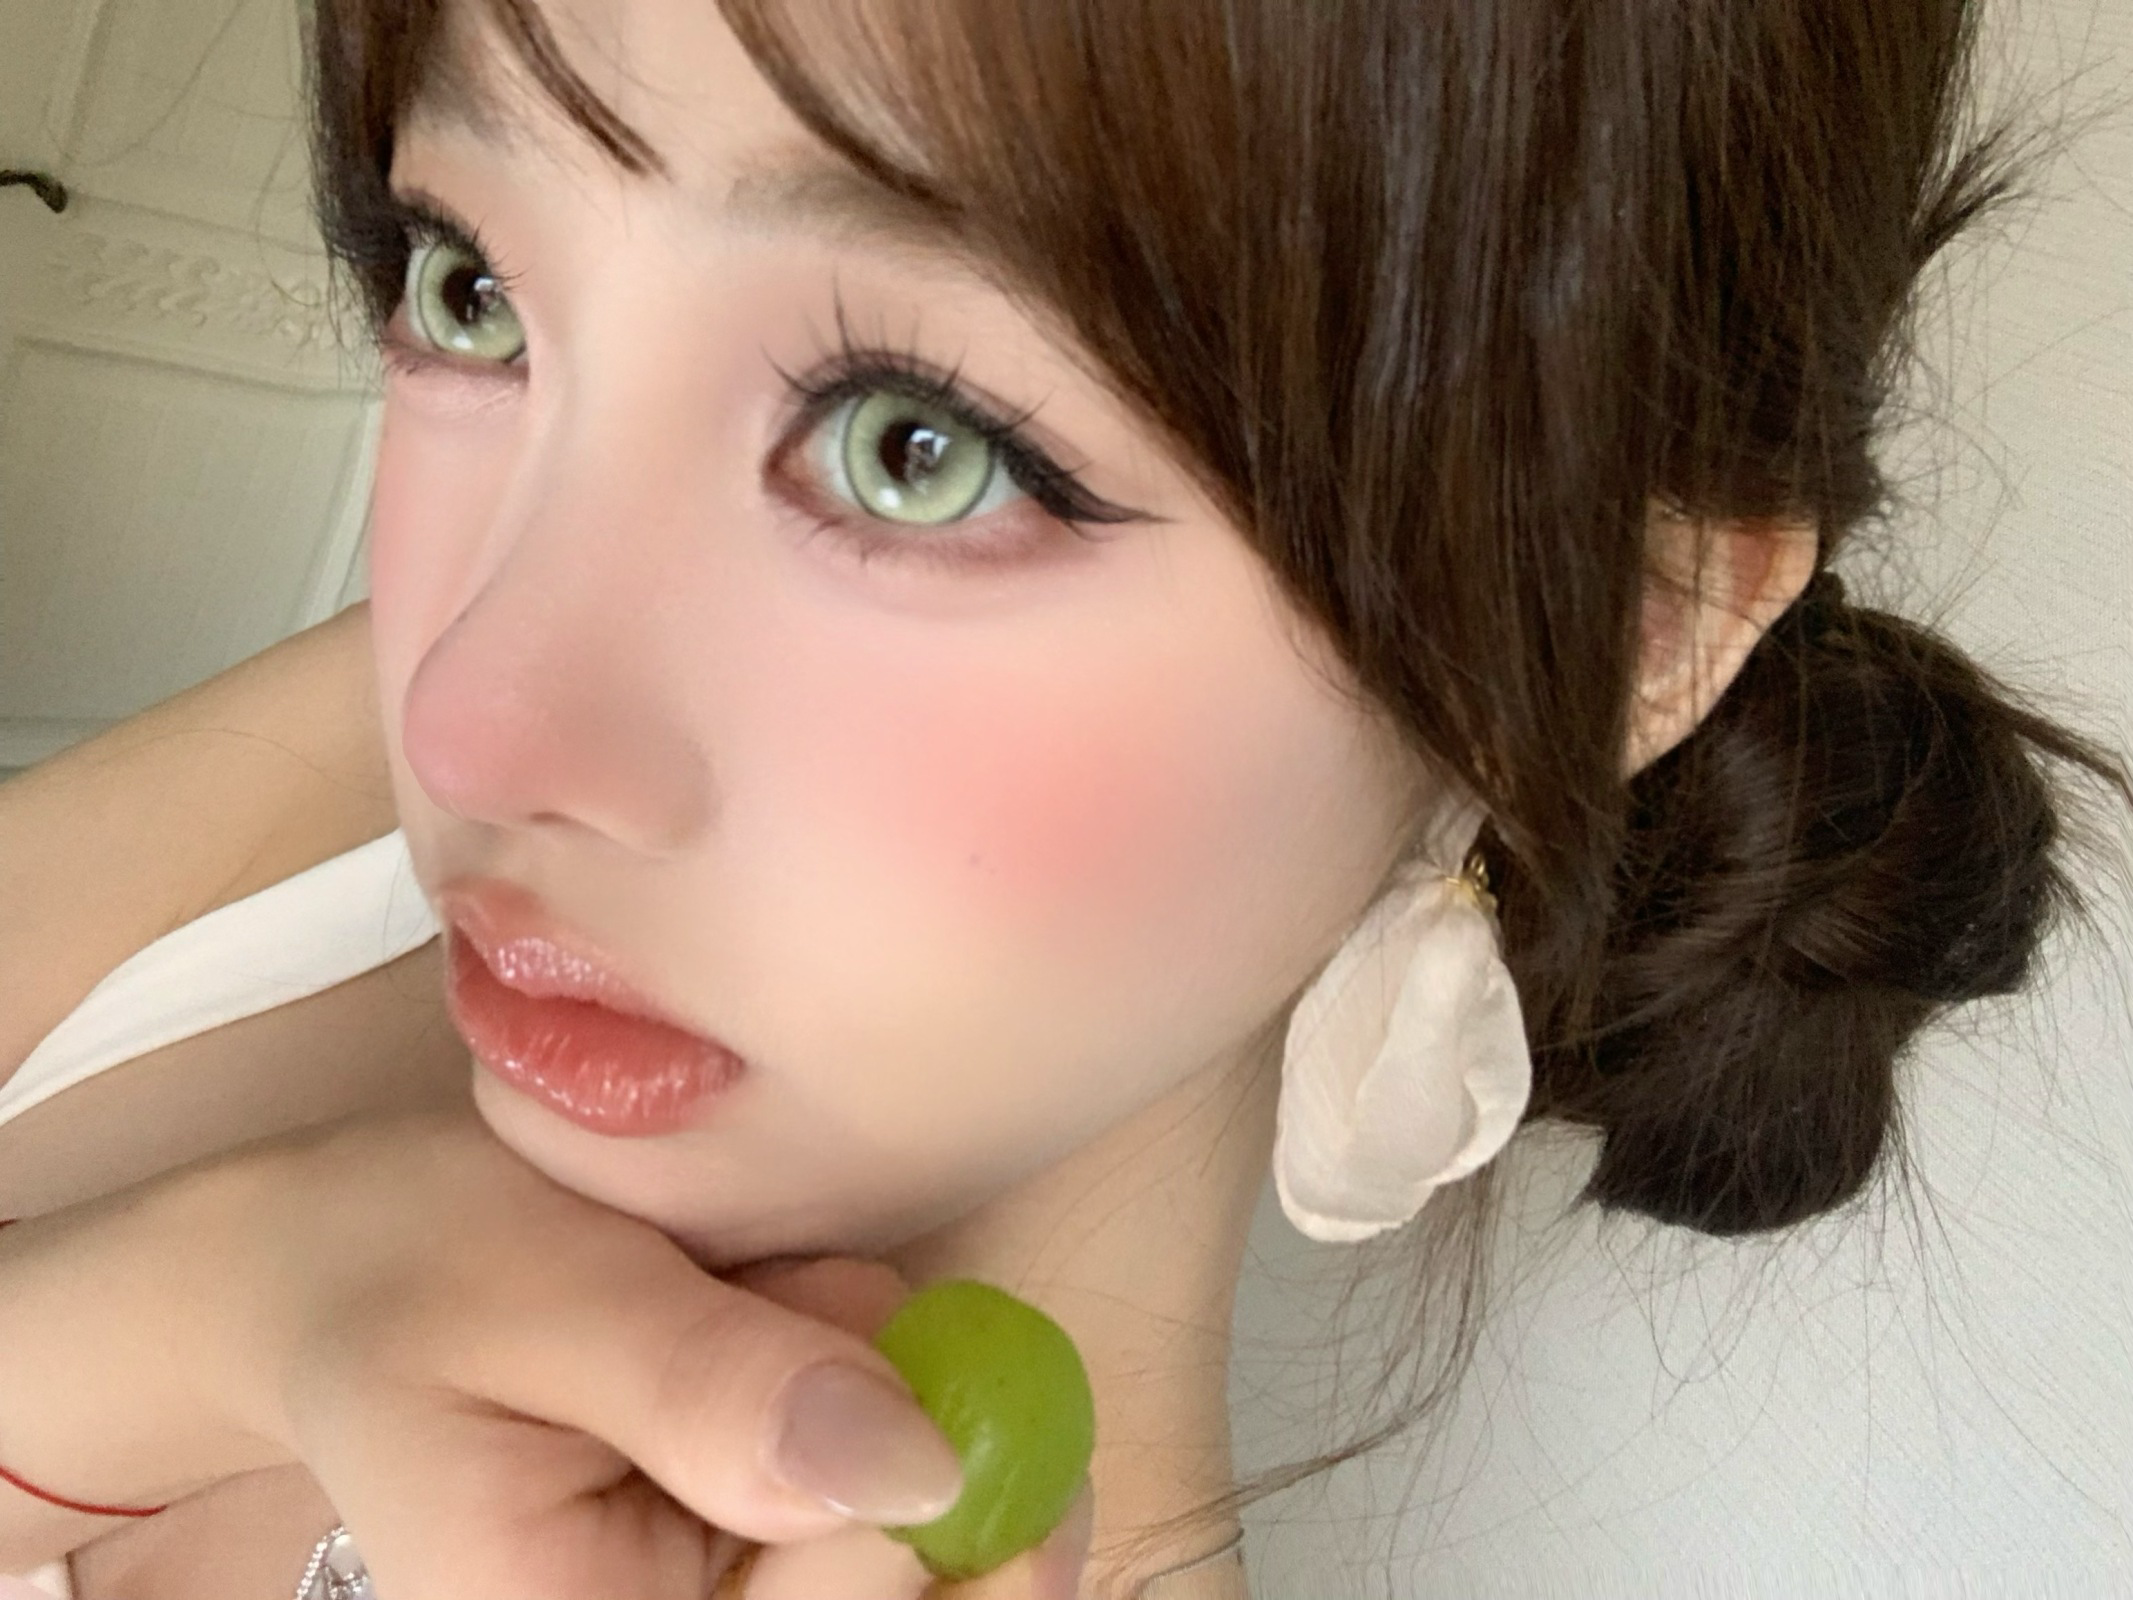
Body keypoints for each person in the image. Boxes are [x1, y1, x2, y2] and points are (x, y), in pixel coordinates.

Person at [3, 0, 2128, 1597]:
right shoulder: (411, 762)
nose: (472, 718)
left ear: (1602, 644)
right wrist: (194, 1321)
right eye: (470, 288)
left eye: (914, 443)